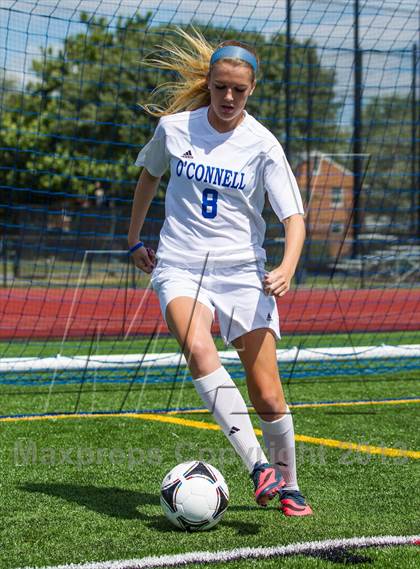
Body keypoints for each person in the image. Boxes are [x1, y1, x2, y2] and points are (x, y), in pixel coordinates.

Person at [128, 29, 312, 517]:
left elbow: (293, 216)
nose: (228, 97)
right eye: (220, 87)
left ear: (251, 91)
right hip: (180, 264)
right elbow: (149, 175)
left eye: (239, 90)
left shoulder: (263, 145)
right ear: (208, 84)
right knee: (197, 345)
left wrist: (287, 267)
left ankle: (288, 485)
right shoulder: (174, 128)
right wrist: (134, 239)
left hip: (243, 272)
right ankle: (259, 468)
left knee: (268, 394)